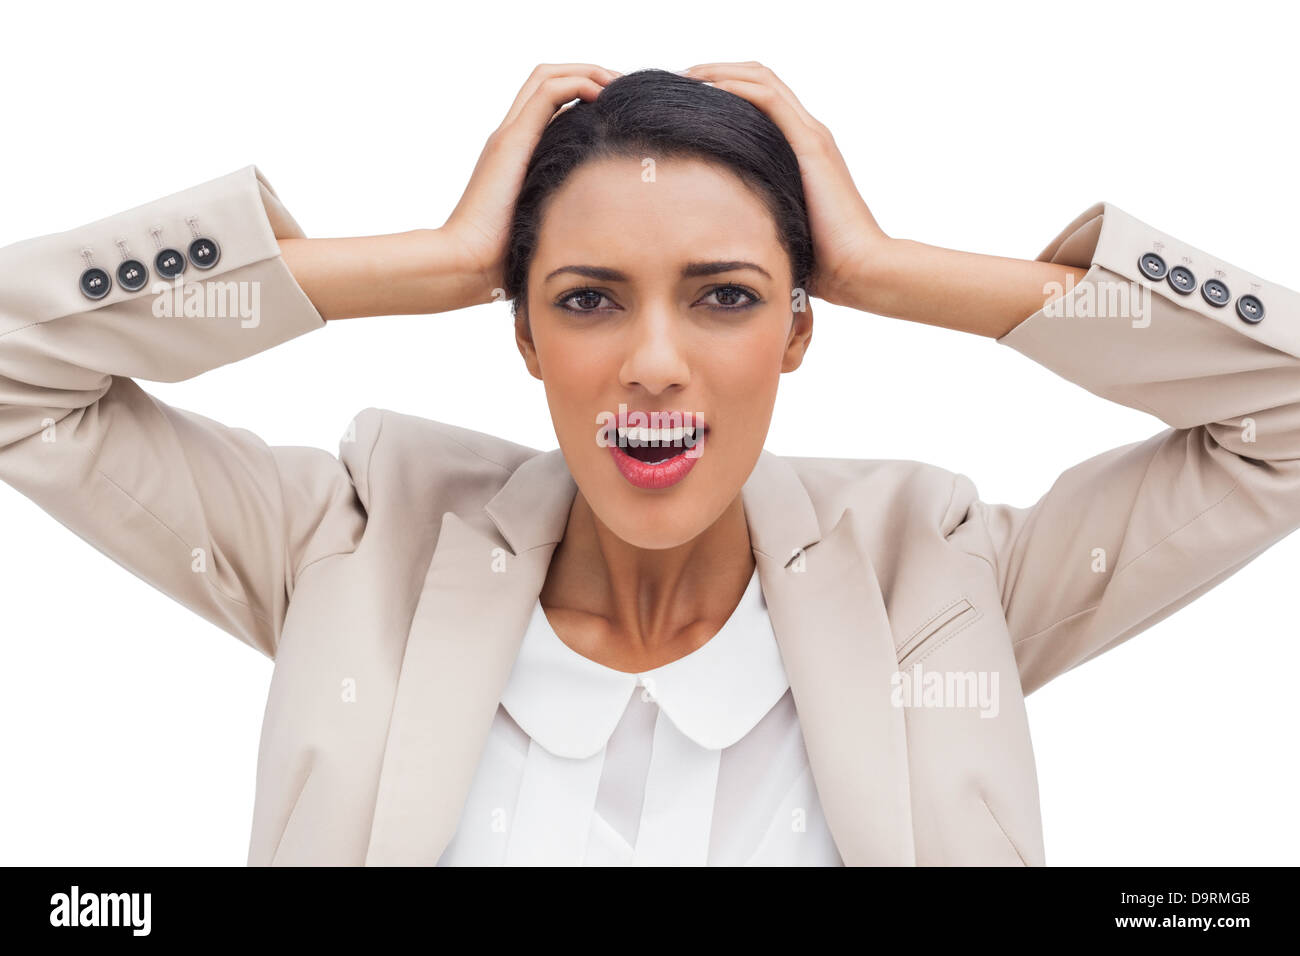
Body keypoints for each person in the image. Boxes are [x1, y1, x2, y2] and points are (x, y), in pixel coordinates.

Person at [2, 63, 1296, 865]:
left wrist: (895, 269)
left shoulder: (941, 578)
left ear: (801, 329)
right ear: (521, 334)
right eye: (586, 300)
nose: (656, 363)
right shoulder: (344, 544)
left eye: (727, 298)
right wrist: (431, 259)